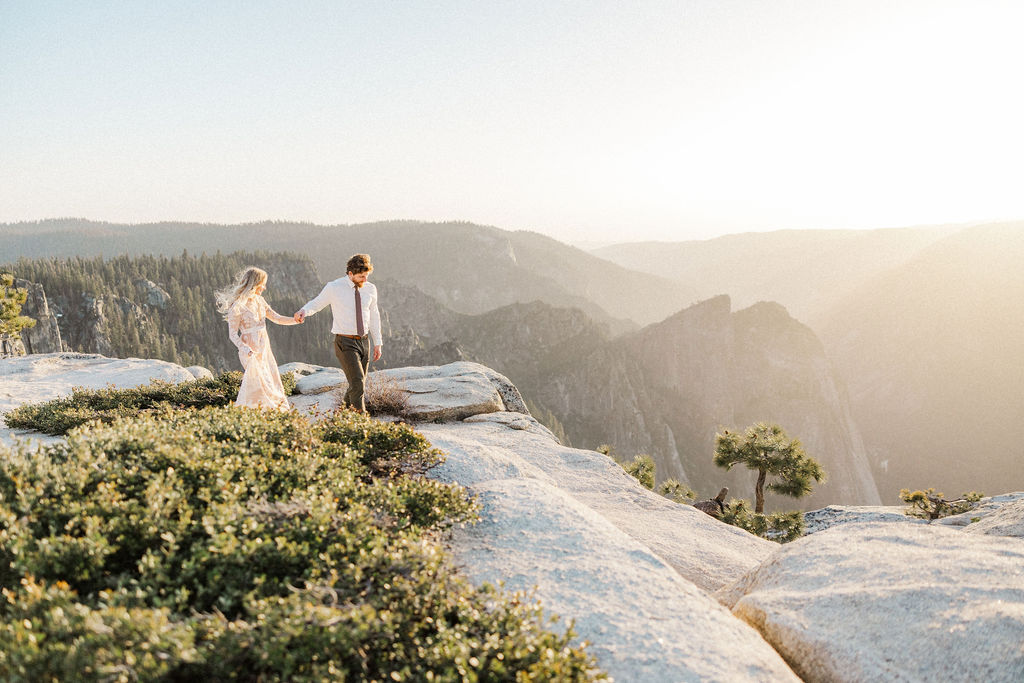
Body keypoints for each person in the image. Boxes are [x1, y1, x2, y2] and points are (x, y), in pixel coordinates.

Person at [294, 253, 382, 412]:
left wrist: (378, 343)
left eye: (367, 276)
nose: (365, 280)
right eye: (361, 276)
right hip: (345, 342)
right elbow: (317, 303)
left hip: (365, 341)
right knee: (357, 384)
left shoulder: (370, 289)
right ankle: (361, 423)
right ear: (350, 274)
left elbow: (374, 315)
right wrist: (303, 311)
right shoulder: (334, 287)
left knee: (357, 383)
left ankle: (343, 415)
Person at [216, 266, 302, 410]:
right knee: (259, 382)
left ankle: (271, 411)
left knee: (270, 379)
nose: (265, 287)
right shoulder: (237, 306)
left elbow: (277, 318)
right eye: (263, 283)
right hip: (250, 350)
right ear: (255, 283)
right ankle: (255, 412)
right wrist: (245, 348)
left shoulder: (260, 301)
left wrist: (295, 320)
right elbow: (232, 334)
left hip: (264, 347)